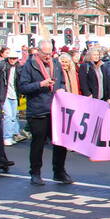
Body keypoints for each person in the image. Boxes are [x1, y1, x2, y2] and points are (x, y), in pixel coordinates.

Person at [17, 41, 71, 186]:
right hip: (38, 110)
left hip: (55, 108)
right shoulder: (30, 65)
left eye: (50, 53)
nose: (48, 56)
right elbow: (23, 87)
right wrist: (41, 84)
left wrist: (62, 89)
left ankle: (59, 172)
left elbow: (62, 82)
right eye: (45, 53)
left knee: (60, 143)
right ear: (38, 52)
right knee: (38, 144)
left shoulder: (56, 64)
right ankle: (35, 173)